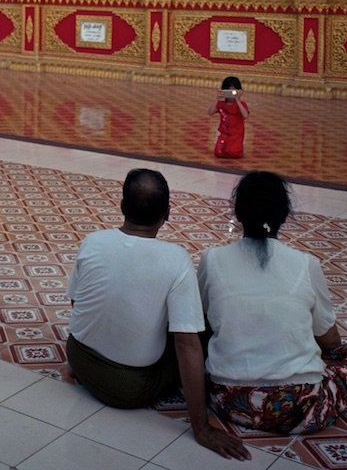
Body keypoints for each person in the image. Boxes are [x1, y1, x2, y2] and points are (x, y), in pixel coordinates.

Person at [66, 168, 249, 460]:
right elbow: (185, 343)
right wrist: (200, 427)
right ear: (168, 212)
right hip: (129, 388)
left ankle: (83, 371)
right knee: (201, 333)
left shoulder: (93, 240)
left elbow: (79, 303)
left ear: (122, 206)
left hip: (77, 356)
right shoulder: (175, 258)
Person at [198, 171, 347, 435]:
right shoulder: (306, 264)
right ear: (283, 215)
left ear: (239, 213)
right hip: (299, 408)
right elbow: (330, 340)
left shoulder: (212, 259)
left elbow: (202, 320)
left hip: (228, 400)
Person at [208, 76, 249, 159]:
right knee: (218, 153)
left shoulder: (241, 104)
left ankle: (240, 149)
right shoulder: (221, 104)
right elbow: (210, 112)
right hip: (224, 134)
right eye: (228, 91)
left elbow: (245, 115)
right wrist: (217, 98)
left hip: (236, 134)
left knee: (233, 152)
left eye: (233, 91)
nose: (230, 94)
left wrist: (237, 99)